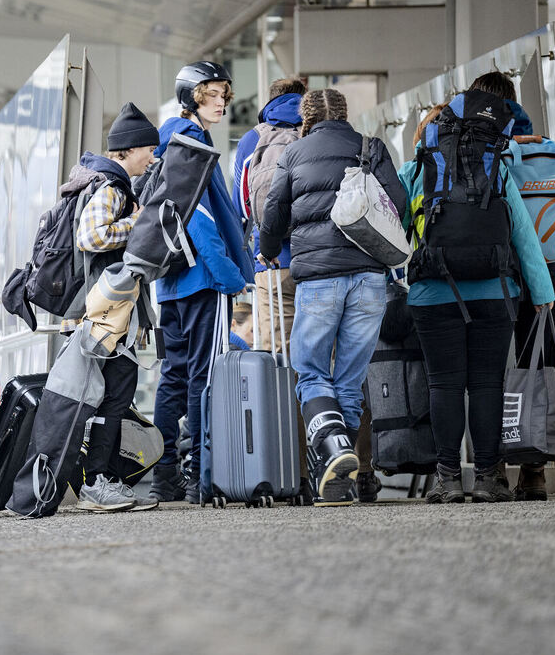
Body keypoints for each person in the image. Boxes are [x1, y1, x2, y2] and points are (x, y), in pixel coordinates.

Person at [399, 90, 554, 504]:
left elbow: (388, 225)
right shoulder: (497, 169)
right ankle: (488, 477)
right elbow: (522, 232)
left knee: (444, 384)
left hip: (432, 292)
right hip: (494, 290)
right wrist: (543, 293)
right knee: (488, 383)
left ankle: (448, 478)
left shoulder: (417, 170)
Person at [260, 89, 405, 506]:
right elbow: (396, 203)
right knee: (349, 379)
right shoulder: (370, 147)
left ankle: (333, 451)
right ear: (344, 114)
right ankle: (338, 478)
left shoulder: (294, 152)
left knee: (310, 370)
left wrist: (268, 248)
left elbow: (274, 212)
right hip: (369, 279)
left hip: (319, 279)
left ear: (307, 117)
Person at [150, 63, 254, 505]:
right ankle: (200, 475)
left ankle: (164, 472)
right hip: (202, 278)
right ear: (191, 95)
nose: (221, 102)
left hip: (171, 281)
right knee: (202, 376)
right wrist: (230, 276)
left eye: (224, 94)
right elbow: (201, 218)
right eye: (211, 93)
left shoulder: (168, 140)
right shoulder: (191, 142)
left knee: (173, 376)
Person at [474, 71, 555, 501]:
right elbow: (552, 222)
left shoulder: (474, 148)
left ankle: (492, 468)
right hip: (538, 279)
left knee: (489, 373)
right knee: (533, 369)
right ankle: (534, 468)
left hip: (490, 275)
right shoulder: (542, 149)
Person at [70, 102, 159, 512]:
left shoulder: (114, 183)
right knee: (114, 395)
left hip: (109, 311)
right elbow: (91, 236)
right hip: (106, 314)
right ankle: (97, 483)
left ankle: (101, 480)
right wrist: (137, 224)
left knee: (114, 393)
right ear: (130, 149)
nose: (152, 158)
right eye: (148, 150)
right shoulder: (110, 186)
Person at [232, 78, 305, 349]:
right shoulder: (316, 131)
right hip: (320, 261)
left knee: (279, 353)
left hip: (270, 263)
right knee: (323, 354)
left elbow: (240, 207)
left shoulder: (252, 140)